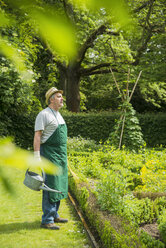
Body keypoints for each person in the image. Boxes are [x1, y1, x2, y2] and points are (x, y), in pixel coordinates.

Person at [33, 87, 68, 230]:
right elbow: (37, 136)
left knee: (59, 184)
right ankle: (47, 220)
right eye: (59, 96)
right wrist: (36, 156)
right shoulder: (44, 114)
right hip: (48, 153)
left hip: (60, 154)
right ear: (51, 99)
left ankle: (54, 215)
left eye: (61, 96)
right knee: (50, 185)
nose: (62, 99)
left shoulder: (58, 114)